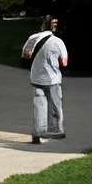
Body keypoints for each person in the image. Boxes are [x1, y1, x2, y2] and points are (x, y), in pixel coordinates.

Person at [20, 16, 68, 144]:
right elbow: (64, 63)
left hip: (36, 78)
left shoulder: (32, 38)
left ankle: (37, 134)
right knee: (55, 106)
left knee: (39, 106)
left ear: (42, 25)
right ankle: (55, 131)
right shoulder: (58, 42)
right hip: (53, 79)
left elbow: (25, 57)